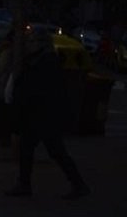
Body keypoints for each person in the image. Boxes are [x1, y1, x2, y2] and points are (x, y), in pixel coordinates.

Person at [5, 27, 90, 199]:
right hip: (38, 114)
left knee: (54, 150)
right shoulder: (38, 60)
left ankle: (77, 184)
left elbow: (41, 90)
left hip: (43, 114)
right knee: (34, 149)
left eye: (33, 42)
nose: (30, 45)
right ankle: (25, 183)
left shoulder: (45, 62)